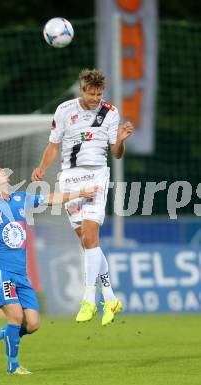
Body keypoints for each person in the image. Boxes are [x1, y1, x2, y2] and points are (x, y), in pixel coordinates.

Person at [0, 158, 97, 375]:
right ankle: (13, 366)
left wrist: (80, 193)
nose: (0, 169)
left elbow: (50, 198)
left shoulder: (20, 198)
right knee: (16, 317)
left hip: (20, 273)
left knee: (32, 323)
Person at [31, 68, 133, 326]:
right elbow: (54, 144)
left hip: (96, 176)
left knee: (90, 237)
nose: (96, 98)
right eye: (91, 94)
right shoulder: (64, 110)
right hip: (69, 177)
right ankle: (110, 298)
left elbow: (116, 153)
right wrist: (42, 168)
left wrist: (120, 141)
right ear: (82, 89)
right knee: (87, 243)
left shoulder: (110, 113)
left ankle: (89, 298)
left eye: (99, 94)